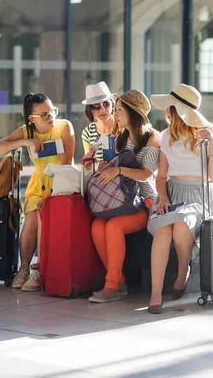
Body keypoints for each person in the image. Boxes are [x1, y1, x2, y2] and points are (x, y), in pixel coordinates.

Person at [146, 84, 213, 314]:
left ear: (176, 111)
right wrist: (162, 199)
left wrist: (211, 146)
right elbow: (160, 177)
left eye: (168, 109)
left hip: (199, 195)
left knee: (181, 225)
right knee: (164, 229)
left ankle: (183, 272)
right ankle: (155, 295)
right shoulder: (166, 137)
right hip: (172, 193)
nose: (165, 113)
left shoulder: (212, 133)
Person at [0, 93, 75, 291]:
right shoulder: (26, 131)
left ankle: (40, 268)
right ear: (32, 119)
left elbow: (66, 164)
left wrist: (52, 194)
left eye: (52, 111)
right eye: (44, 114)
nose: (51, 117)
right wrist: (23, 142)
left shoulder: (64, 127)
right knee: (31, 220)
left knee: (42, 215)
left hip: (60, 182)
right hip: (38, 184)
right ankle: (24, 268)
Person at [88, 89, 160, 303]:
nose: (115, 113)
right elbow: (118, 167)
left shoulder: (152, 138)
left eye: (119, 109)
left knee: (113, 226)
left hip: (145, 204)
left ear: (133, 113)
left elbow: (147, 175)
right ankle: (118, 281)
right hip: (124, 200)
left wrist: (118, 171)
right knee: (97, 226)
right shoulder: (121, 138)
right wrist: (107, 166)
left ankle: (111, 286)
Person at [81, 81, 116, 163]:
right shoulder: (88, 132)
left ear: (112, 104)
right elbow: (88, 164)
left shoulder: (123, 126)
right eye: (96, 106)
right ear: (90, 110)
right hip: (102, 174)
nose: (102, 109)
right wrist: (89, 164)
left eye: (105, 103)